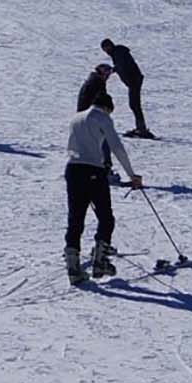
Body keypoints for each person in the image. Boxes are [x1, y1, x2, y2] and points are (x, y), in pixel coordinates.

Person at [64, 93, 142, 283]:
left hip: (73, 169)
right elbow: (116, 147)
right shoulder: (102, 118)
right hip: (93, 170)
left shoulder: (76, 118)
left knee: (76, 218)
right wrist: (132, 175)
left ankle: (73, 268)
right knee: (106, 218)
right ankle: (100, 261)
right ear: (107, 107)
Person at [100, 38, 151, 137]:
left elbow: (121, 65)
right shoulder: (118, 52)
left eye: (105, 48)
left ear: (109, 46)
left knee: (134, 105)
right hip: (133, 81)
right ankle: (141, 128)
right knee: (134, 105)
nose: (105, 52)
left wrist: (112, 70)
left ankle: (142, 129)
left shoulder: (118, 52)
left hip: (134, 81)